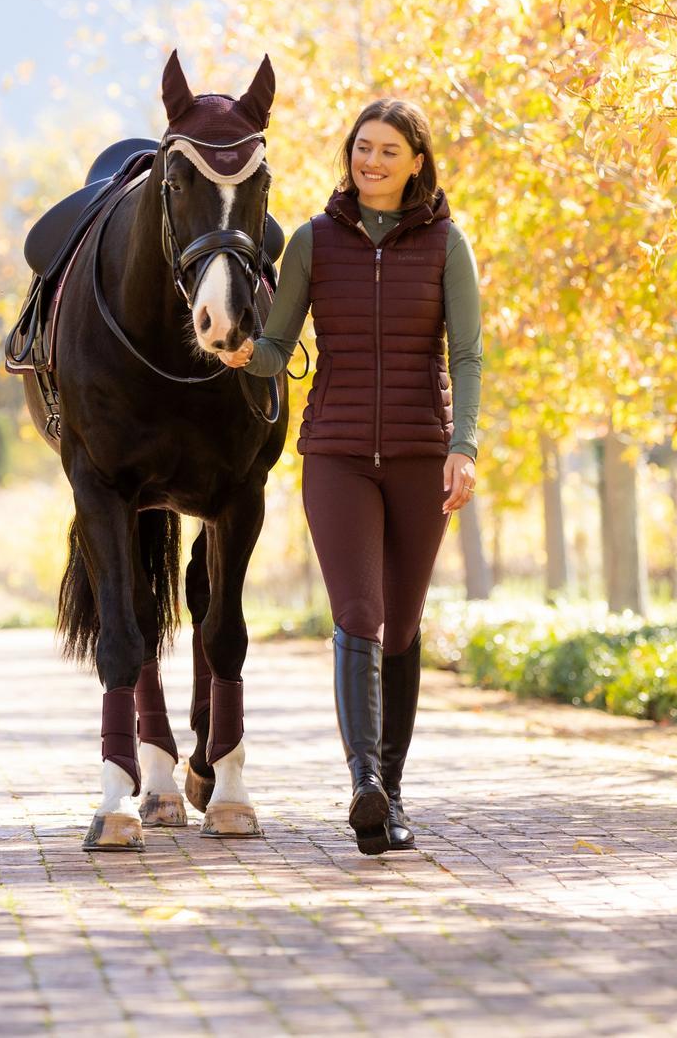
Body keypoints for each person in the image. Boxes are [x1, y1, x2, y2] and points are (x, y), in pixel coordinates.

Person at [218, 98, 481, 855]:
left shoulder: (445, 246)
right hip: (334, 454)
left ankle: (393, 793)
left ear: (417, 163)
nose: (371, 161)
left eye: (388, 151)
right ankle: (365, 782)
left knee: (401, 625)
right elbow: (277, 345)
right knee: (358, 613)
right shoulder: (312, 242)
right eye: (363, 148)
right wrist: (241, 355)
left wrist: (462, 444)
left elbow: (466, 354)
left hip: (419, 455)